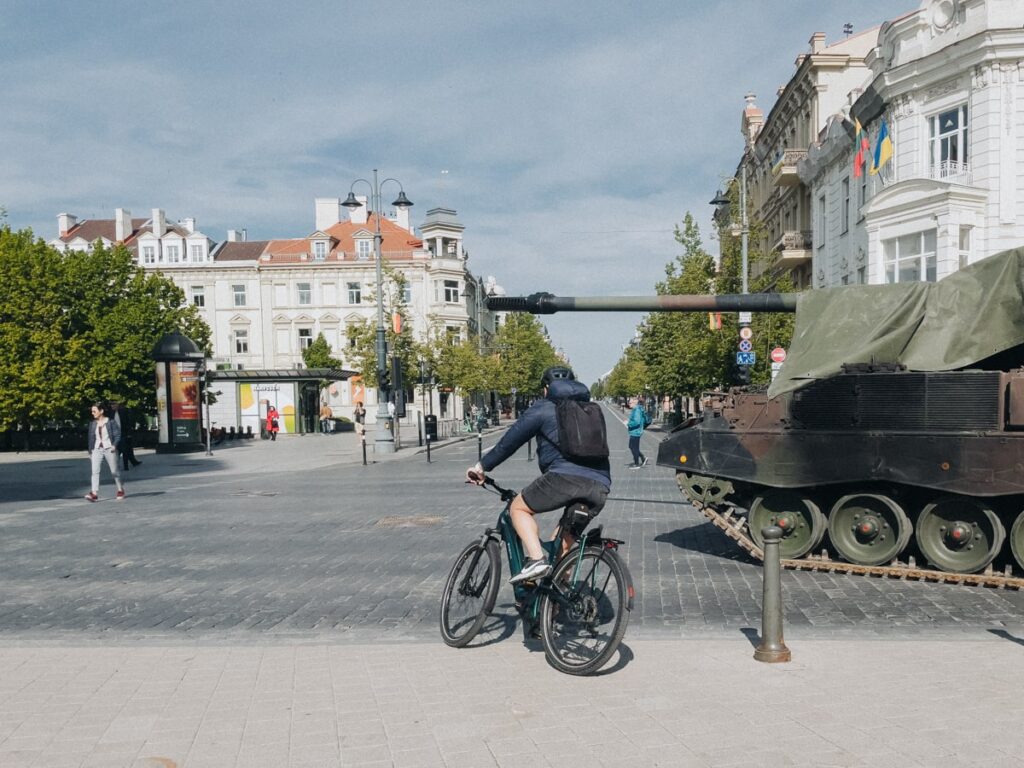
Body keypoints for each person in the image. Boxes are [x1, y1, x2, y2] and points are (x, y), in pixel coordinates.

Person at [467, 366, 611, 583]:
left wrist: (481, 467)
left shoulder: (544, 407)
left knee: (518, 507)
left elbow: (509, 442)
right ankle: (554, 605)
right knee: (559, 550)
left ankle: (536, 560)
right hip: (600, 484)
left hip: (564, 478)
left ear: (546, 388)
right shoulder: (589, 409)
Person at [85, 401, 125, 502]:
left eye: (94, 411)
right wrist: (90, 450)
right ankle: (94, 493)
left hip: (109, 448)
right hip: (97, 449)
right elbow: (91, 438)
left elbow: (117, 435)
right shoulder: (93, 424)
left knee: (114, 471)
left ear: (101, 411)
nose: (92, 413)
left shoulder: (110, 422)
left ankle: (120, 489)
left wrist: (114, 445)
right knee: (95, 471)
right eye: (92, 411)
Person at [111, 401, 142, 470]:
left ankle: (126, 466)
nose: (112, 406)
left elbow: (128, 423)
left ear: (117, 405)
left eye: (114, 404)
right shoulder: (111, 414)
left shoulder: (123, 412)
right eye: (111, 405)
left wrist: (129, 433)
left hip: (123, 434)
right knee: (119, 451)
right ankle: (116, 465)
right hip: (114, 435)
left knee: (125, 450)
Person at [626, 395, 649, 469]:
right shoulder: (637, 409)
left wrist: (628, 423)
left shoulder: (636, 410)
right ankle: (643, 458)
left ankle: (637, 463)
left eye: (630, 402)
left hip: (636, 431)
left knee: (634, 447)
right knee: (632, 446)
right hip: (635, 431)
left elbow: (637, 421)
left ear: (635, 402)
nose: (629, 403)